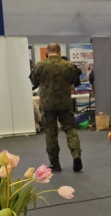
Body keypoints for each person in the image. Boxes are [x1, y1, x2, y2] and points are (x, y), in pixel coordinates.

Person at [31, 43, 82, 172]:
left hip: (47, 105)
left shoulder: (40, 65)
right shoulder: (69, 66)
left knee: (50, 133)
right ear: (59, 52)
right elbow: (74, 81)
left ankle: (55, 163)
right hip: (65, 103)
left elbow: (34, 81)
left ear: (47, 52)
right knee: (70, 130)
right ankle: (76, 155)